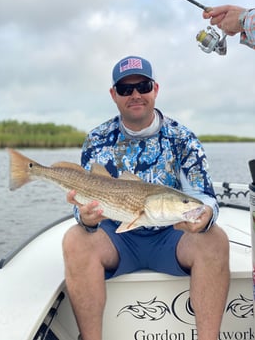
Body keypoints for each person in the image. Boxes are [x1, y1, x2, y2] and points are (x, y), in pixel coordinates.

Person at [62, 55, 230, 340]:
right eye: (126, 89)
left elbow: (205, 195)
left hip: (172, 236)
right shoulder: (97, 138)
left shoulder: (182, 138)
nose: (136, 94)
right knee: (75, 239)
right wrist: (86, 217)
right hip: (117, 235)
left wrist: (203, 218)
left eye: (143, 85)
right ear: (114, 95)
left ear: (155, 89)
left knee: (215, 239)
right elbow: (86, 194)